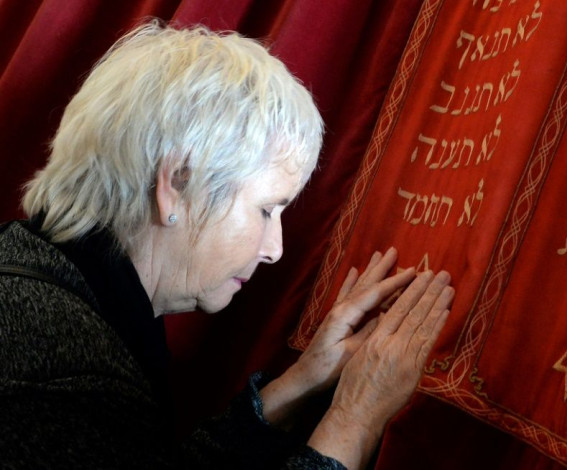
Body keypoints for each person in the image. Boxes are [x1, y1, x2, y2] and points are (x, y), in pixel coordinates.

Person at [0, 20, 454, 470]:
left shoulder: (43, 277)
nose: (274, 248)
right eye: (265, 209)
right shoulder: (65, 377)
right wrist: (356, 421)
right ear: (176, 183)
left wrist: (303, 381)